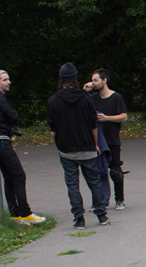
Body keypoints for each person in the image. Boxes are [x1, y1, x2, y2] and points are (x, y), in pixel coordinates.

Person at [47, 63, 109, 228]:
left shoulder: (53, 101)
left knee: (72, 184)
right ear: (75, 79)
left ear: (60, 80)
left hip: (66, 149)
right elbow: (93, 125)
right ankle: (101, 215)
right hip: (87, 146)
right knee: (94, 182)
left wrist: (59, 144)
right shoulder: (85, 98)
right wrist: (95, 144)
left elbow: (53, 131)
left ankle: (79, 218)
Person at [0, 70, 46, 224]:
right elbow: (12, 115)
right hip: (1, 141)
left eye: (8, 79)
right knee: (19, 175)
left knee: (9, 178)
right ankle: (25, 213)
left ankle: (15, 214)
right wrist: (11, 121)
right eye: (5, 80)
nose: (9, 82)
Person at [84, 68, 128, 210]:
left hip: (112, 139)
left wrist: (106, 118)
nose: (93, 83)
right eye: (92, 80)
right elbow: (80, 105)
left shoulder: (116, 97)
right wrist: (85, 91)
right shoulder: (92, 98)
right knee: (97, 172)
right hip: (97, 141)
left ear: (104, 80)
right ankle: (99, 201)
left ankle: (119, 200)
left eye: (96, 80)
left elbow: (124, 116)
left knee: (115, 171)